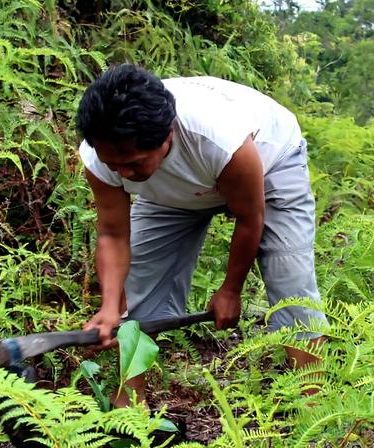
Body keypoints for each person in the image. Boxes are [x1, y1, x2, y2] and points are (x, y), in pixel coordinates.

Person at [75, 63, 328, 407]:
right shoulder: (101, 154)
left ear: (167, 138)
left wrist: (231, 289)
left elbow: (250, 216)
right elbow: (112, 233)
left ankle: (314, 409)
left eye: (133, 164)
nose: (121, 173)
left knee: (291, 282)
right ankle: (129, 410)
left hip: (269, 165)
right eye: (113, 165)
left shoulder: (217, 138)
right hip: (175, 192)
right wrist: (109, 307)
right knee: (139, 295)